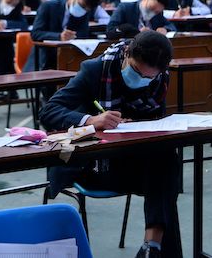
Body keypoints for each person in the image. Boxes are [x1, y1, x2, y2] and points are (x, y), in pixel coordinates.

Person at [40, 31, 181, 258]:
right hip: (94, 163)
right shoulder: (95, 71)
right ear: (127, 53)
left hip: (135, 162)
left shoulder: (159, 79)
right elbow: (48, 112)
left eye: (148, 78)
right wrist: (91, 120)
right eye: (136, 72)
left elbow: (154, 122)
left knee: (165, 161)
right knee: (165, 181)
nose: (141, 80)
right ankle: (154, 248)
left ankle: (151, 247)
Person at [30, 0, 101, 71]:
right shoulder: (48, 7)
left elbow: (83, 35)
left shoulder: (84, 13)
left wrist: (74, 36)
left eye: (87, 9)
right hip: (45, 58)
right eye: (82, 6)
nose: (84, 10)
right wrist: (59, 36)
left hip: (69, 59)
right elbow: (35, 34)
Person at [107, 0, 172, 37]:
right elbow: (110, 31)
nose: (152, 13)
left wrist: (165, 29)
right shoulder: (125, 8)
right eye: (152, 8)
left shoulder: (158, 14)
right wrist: (137, 32)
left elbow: (171, 25)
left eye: (156, 12)